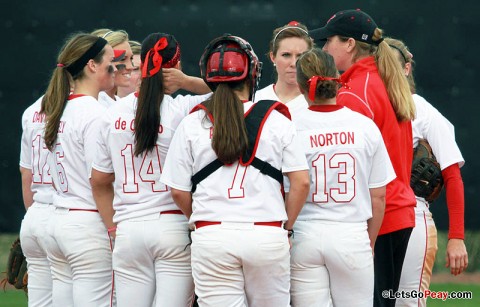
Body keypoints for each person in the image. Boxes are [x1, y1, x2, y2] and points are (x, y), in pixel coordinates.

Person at [160, 34, 310, 306]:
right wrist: (286, 228)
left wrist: (206, 217)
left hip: (212, 236)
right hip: (267, 234)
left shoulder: (193, 121)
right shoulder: (277, 119)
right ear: (252, 73)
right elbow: (300, 183)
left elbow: (178, 191)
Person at [90, 32, 211, 307]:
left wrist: (112, 228)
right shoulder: (182, 109)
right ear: (175, 67)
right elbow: (231, 87)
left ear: (139, 64)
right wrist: (188, 82)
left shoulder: (112, 112)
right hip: (172, 226)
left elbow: (99, 181)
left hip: (128, 229)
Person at [309, 9, 417, 307]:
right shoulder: (381, 80)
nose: (325, 48)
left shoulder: (355, 92)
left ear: (349, 44)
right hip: (396, 212)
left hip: (377, 218)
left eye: (329, 41)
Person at [290, 47, 394, 307]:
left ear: (301, 86)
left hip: (304, 235)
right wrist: (368, 243)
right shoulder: (364, 126)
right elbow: (379, 197)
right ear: (337, 78)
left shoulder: (287, 124)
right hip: (351, 234)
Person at [384, 37, 468, 307]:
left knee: (405, 302)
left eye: (392, 65)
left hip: (413, 216)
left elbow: (452, 175)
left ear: (407, 68)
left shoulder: (422, 111)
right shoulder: (364, 107)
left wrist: (456, 237)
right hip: (369, 218)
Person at [42, 33, 116, 307]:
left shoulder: (59, 109)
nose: (116, 68)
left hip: (58, 220)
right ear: (92, 65)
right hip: (88, 225)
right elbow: (99, 181)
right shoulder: (95, 113)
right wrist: (113, 229)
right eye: (111, 61)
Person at [19, 95, 55, 307]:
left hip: (35, 215)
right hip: (72, 214)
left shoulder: (32, 110)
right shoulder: (92, 107)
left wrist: (33, 217)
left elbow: (26, 173)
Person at [254, 21, 313, 119]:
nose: (294, 63)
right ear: (273, 57)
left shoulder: (319, 102)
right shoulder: (256, 100)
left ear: (311, 58)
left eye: (301, 55)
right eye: (286, 55)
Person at [91, 28, 134, 107]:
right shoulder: (92, 104)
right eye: (122, 59)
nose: (130, 67)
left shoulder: (122, 104)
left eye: (131, 58)